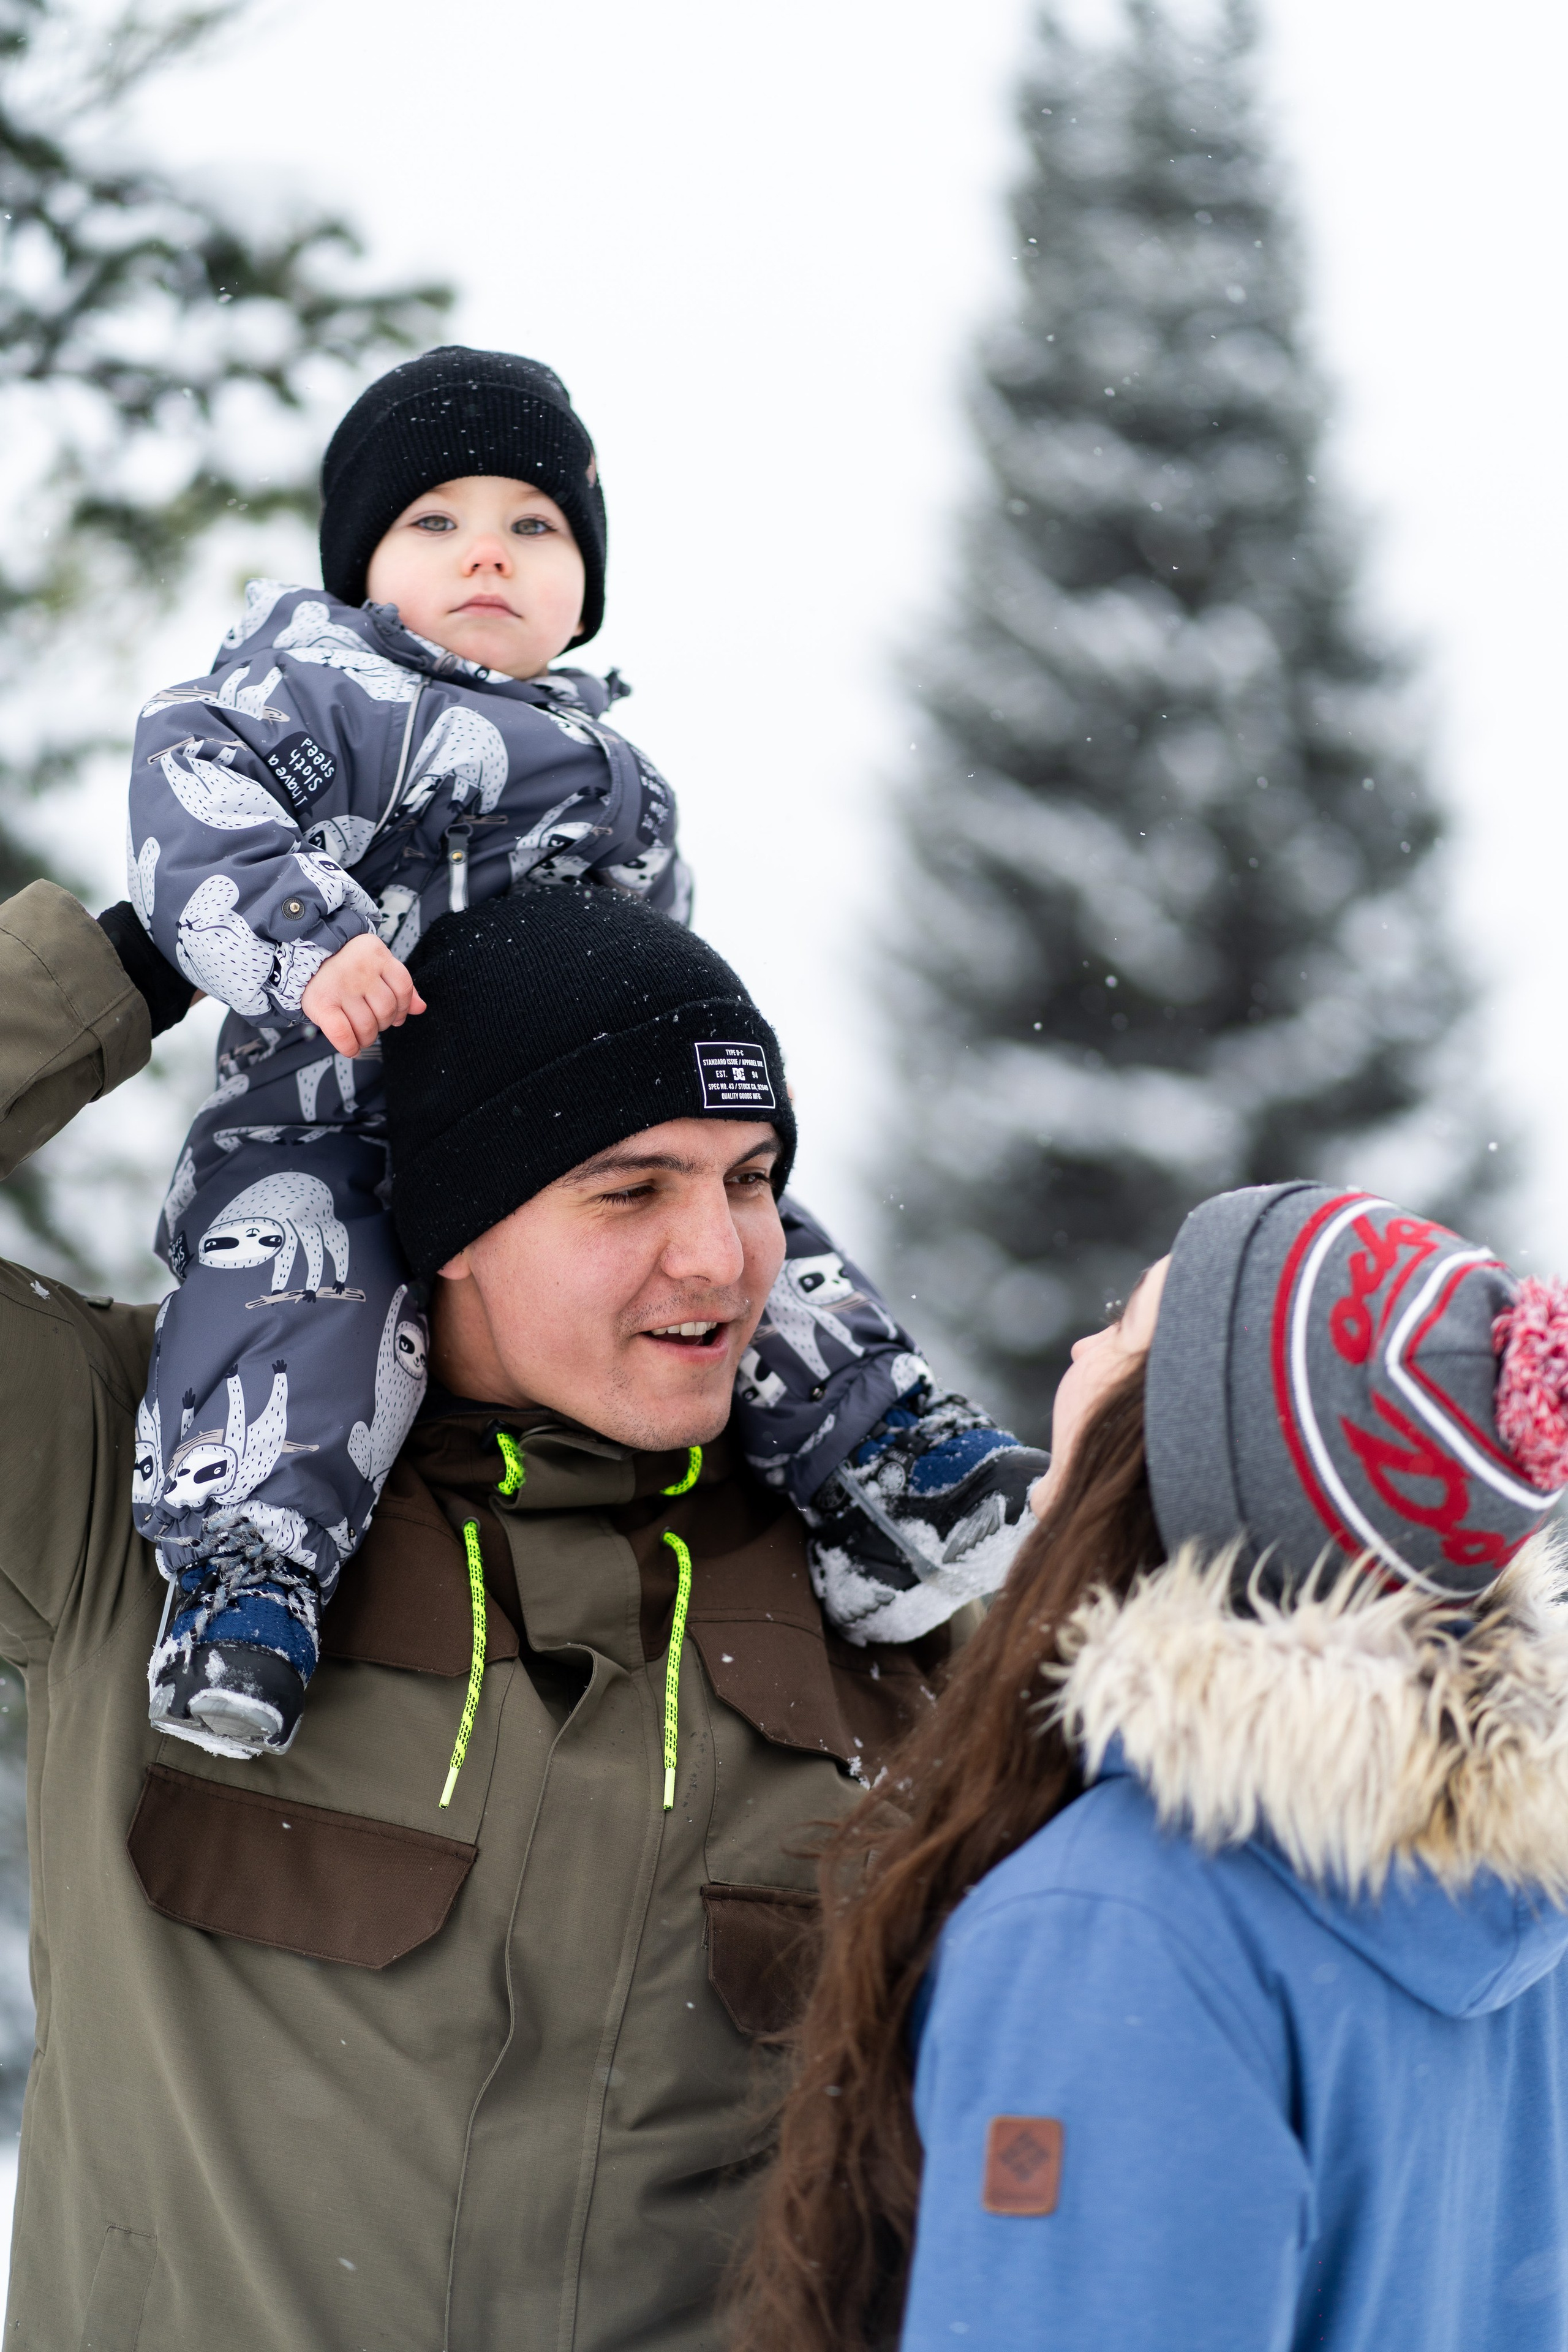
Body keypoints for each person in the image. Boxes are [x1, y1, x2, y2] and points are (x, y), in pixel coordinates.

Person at [0, 873, 990, 2350]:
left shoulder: (886, 1602)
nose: (721, 1257)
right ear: (452, 1215)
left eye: (749, 1178)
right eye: (630, 1190)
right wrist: (147, 957)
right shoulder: (151, 1479)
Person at [118, 341, 1045, 1757]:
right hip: (326, 1111)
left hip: (548, 1135)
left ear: (583, 581)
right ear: (362, 562)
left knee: (737, 1240)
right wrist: (299, 940)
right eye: (435, 522)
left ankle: (880, 1467)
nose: (485, 554)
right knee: (296, 1302)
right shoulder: (322, 690)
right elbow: (192, 799)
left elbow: (655, 975)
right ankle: (250, 1578)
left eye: (531, 527)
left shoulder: (623, 777)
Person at [737, 1180, 1568, 2352]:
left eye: (1129, 1328)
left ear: (1188, 1455)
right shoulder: (1511, 1892)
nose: (1086, 1344)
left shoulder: (1115, 1926)